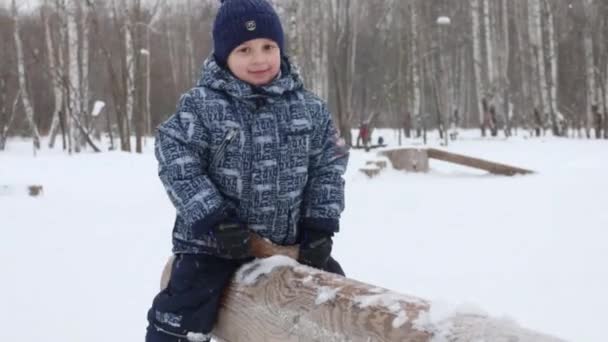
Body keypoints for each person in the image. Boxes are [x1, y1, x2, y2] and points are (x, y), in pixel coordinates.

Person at [145, 0, 349, 341]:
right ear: (225, 55)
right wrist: (213, 218)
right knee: (183, 310)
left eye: (268, 46)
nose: (259, 59)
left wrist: (319, 225)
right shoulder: (202, 105)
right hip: (213, 245)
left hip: (289, 246)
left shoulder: (309, 108)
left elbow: (328, 166)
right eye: (244, 49)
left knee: (338, 301)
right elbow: (176, 157)